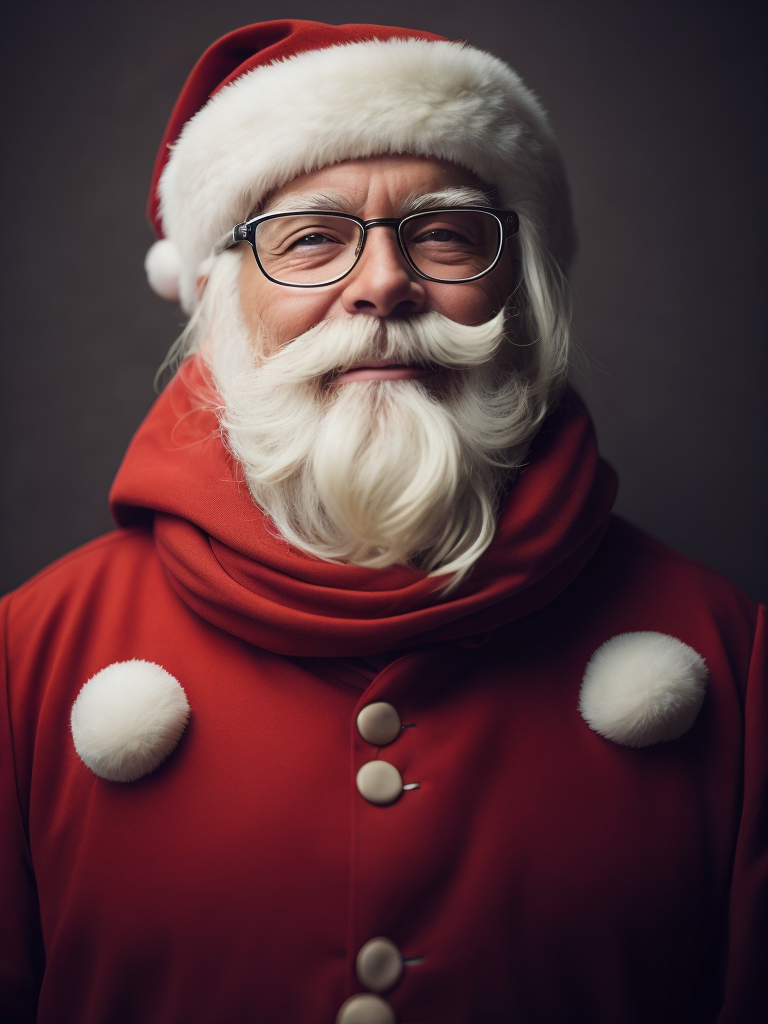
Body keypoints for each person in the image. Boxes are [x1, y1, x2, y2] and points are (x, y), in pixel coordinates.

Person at [0, 19, 764, 1024]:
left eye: (444, 232)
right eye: (311, 238)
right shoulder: (30, 654)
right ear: (220, 300)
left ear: (519, 291)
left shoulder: (731, 655)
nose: (383, 282)